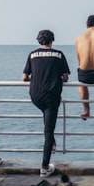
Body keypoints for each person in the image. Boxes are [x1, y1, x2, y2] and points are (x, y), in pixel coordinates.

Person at [23, 29, 71, 177]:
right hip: (51, 96)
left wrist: (38, 80)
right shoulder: (58, 54)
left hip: (35, 95)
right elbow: (65, 77)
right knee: (48, 131)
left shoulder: (32, 54)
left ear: (38, 41)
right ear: (52, 41)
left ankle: (52, 142)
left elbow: (24, 77)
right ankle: (44, 167)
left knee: (46, 117)